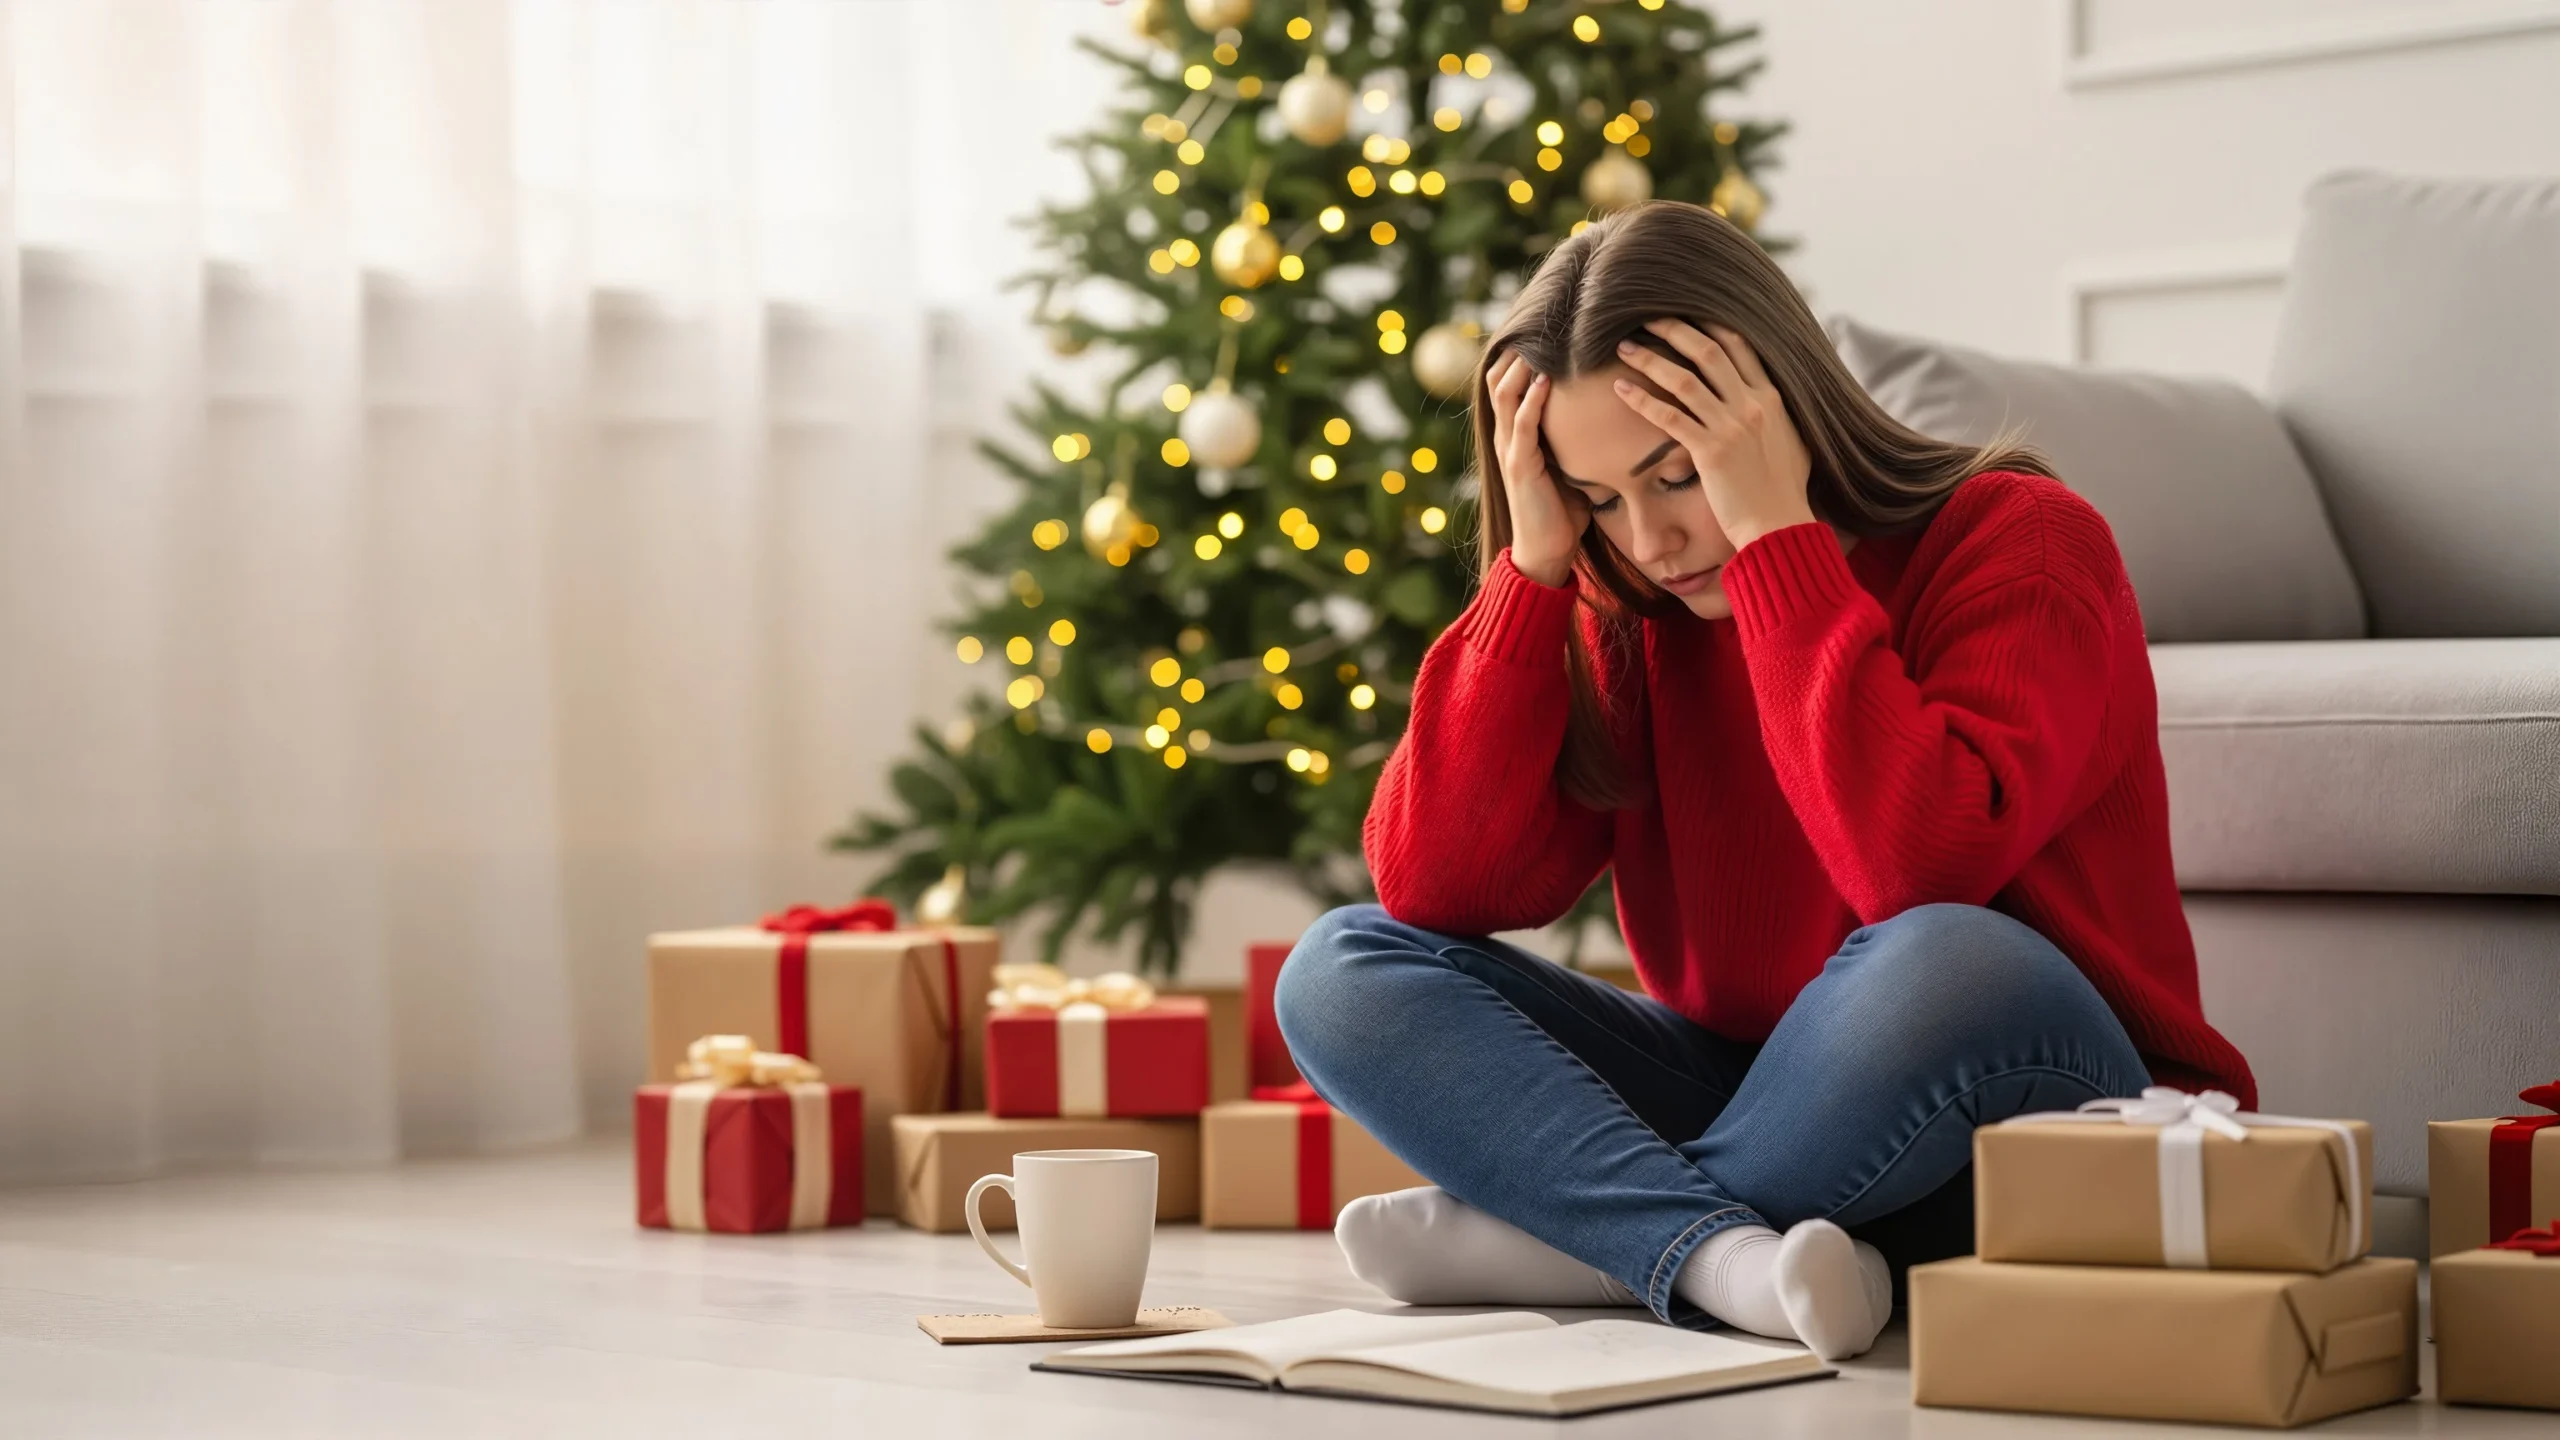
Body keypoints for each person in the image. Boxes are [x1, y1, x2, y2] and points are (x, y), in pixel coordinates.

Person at [1271, 200, 2253, 1362]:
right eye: (1595, 497)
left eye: (1676, 475)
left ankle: (1603, 1240)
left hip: (2039, 1102)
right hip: (1773, 1103)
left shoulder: (2021, 539)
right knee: (1342, 965)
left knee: (1948, 955)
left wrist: (1781, 543)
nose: (1646, 540)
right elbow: (1441, 881)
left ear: (1775, 415)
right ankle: (1719, 1252)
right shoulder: (1628, 604)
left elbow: (1919, 863)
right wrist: (1531, 572)